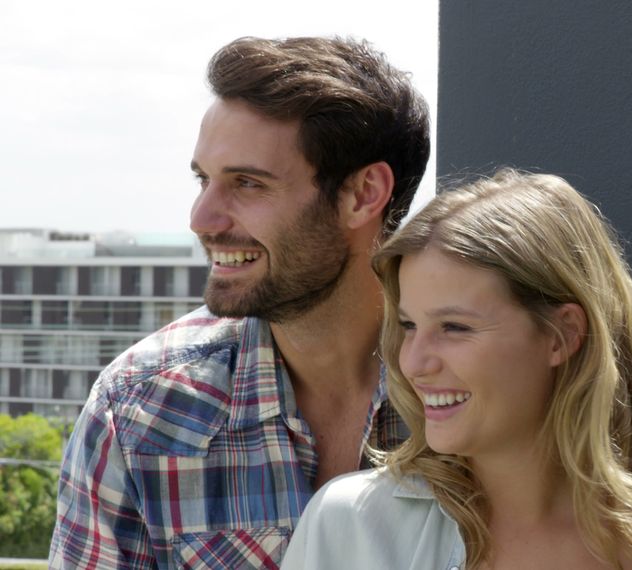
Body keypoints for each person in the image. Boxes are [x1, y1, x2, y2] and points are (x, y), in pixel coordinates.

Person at [49, 36, 429, 569]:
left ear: (362, 194)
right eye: (204, 180)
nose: (202, 219)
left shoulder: (478, 394)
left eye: (247, 183)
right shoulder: (139, 411)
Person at [282, 169, 632, 568]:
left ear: (561, 335)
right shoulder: (352, 528)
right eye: (408, 325)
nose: (413, 362)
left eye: (454, 327)